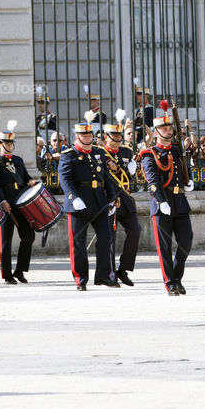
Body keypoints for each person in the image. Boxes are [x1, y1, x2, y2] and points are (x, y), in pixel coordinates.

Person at [59, 111, 118, 291]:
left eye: (90, 134)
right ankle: (80, 278)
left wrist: (112, 199)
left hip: (99, 202)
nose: (88, 137)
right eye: (84, 135)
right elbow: (65, 180)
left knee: (106, 239)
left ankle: (102, 276)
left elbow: (106, 177)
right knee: (78, 243)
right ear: (77, 136)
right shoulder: (69, 155)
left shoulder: (98, 153)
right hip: (79, 204)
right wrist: (73, 198)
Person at [140, 100, 193, 296]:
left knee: (186, 241)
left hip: (180, 202)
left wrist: (190, 180)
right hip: (162, 204)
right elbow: (152, 181)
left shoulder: (177, 150)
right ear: (156, 131)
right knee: (164, 247)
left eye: (170, 127)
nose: (169, 130)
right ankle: (170, 282)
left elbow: (186, 168)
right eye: (164, 127)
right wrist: (161, 201)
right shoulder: (149, 154)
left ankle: (177, 277)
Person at [0, 121, 37, 285]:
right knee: (6, 240)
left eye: (11, 142)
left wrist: (30, 181)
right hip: (6, 205)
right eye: (6, 142)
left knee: (28, 236)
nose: (9, 145)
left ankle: (20, 270)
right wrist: (2, 202)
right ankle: (7, 274)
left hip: (20, 204)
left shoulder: (18, 160)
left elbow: (25, 177)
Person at [103, 110, 142, 287]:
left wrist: (133, 170)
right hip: (109, 199)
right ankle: (110, 273)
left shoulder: (126, 152)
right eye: (114, 136)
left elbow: (128, 177)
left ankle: (123, 269)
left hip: (125, 198)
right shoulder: (100, 154)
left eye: (119, 136)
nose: (118, 139)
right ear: (106, 137)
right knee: (110, 237)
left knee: (135, 231)